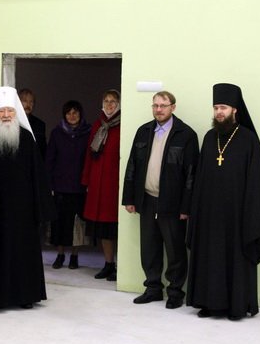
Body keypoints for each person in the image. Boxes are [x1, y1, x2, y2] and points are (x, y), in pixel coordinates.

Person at [186, 83, 260, 320]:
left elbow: (256, 179)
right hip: (209, 214)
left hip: (237, 214)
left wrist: (249, 211)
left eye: (223, 108)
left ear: (234, 110)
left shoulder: (248, 139)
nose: (218, 112)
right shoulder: (209, 138)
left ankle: (236, 306)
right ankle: (207, 303)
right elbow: (200, 177)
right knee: (209, 257)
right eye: (215, 108)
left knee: (235, 259)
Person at [0, 86, 55, 309]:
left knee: (22, 252)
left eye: (10, 110)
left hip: (23, 210)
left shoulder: (27, 138)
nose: (6, 115)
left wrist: (40, 207)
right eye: (1, 111)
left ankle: (25, 296)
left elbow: (37, 175)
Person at [122, 91, 199, 309]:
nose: (158, 110)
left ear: (173, 107)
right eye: (155, 105)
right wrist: (129, 197)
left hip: (172, 204)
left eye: (163, 106)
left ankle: (175, 292)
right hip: (147, 200)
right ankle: (153, 288)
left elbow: (191, 174)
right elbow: (132, 165)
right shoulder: (143, 131)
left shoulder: (186, 135)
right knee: (149, 248)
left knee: (175, 250)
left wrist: (186, 206)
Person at [46, 100, 92, 269]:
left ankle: (74, 256)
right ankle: (60, 255)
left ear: (80, 114)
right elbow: (49, 160)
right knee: (59, 223)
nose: (72, 116)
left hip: (80, 187)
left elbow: (90, 159)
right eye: (68, 113)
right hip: (60, 186)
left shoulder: (88, 133)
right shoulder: (57, 133)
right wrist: (49, 184)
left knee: (77, 224)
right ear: (64, 115)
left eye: (75, 113)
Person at [81, 89, 121, 281]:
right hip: (98, 184)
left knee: (116, 226)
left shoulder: (123, 125)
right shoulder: (98, 125)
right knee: (104, 228)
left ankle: (121, 267)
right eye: (106, 101)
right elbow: (89, 155)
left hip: (114, 185)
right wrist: (87, 180)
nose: (109, 104)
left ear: (119, 104)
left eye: (113, 101)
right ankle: (108, 264)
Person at [18, 88, 47, 158]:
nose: (28, 105)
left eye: (31, 102)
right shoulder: (11, 123)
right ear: (18, 102)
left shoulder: (40, 125)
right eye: (25, 101)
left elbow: (43, 150)